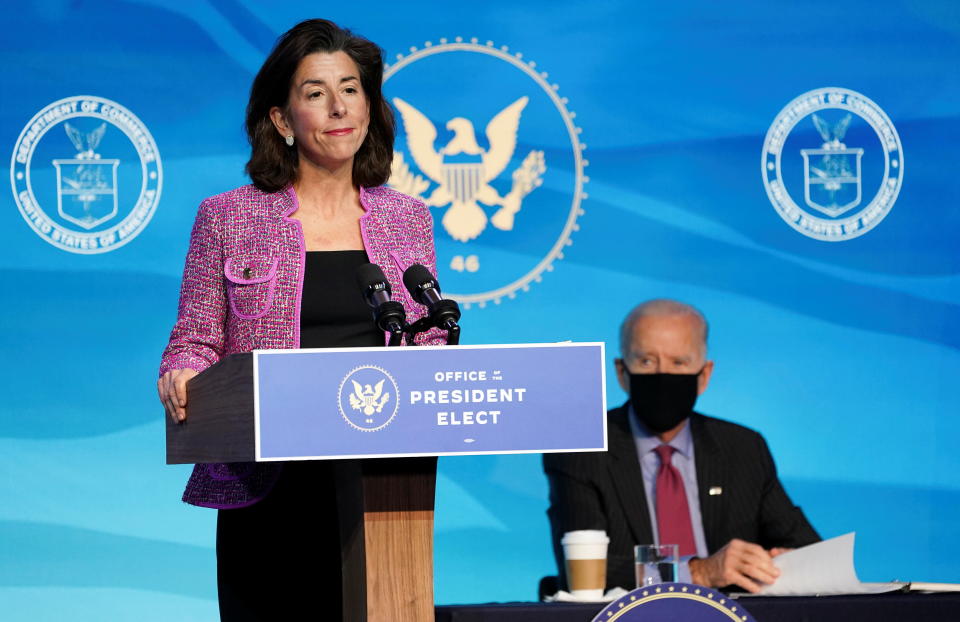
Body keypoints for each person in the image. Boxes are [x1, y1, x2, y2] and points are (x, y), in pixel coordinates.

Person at [157, 19, 442, 620]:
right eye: (315, 93)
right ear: (283, 121)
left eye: (352, 88)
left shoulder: (406, 218)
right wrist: (181, 372)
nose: (339, 108)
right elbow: (196, 337)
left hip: (381, 477)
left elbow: (427, 331)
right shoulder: (228, 217)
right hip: (267, 479)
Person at [543, 299, 819, 594]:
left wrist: (791, 563)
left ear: (704, 375)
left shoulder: (742, 447)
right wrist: (697, 572)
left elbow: (805, 549)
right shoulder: (581, 447)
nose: (663, 375)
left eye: (679, 363)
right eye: (647, 361)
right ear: (622, 372)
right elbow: (585, 569)